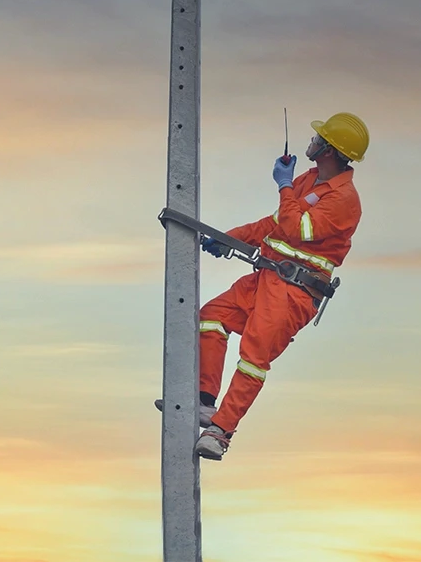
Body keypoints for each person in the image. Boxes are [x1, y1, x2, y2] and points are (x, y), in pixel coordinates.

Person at [157, 112, 370, 461]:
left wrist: (283, 185)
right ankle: (204, 403)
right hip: (267, 278)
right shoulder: (310, 180)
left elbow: (297, 228)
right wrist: (229, 239)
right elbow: (272, 224)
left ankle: (220, 432)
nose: (311, 142)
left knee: (253, 360)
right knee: (212, 317)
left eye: (318, 139)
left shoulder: (345, 198)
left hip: (294, 293)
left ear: (329, 150)